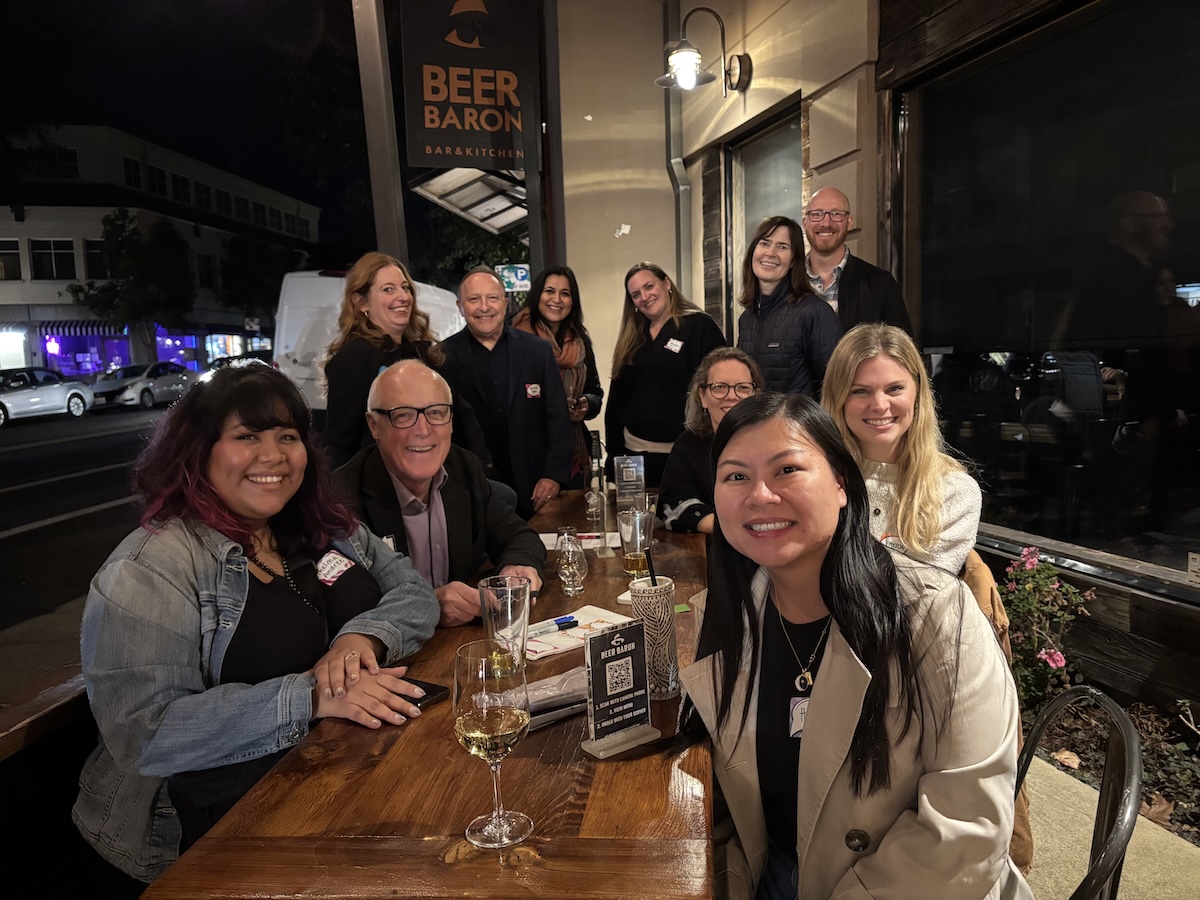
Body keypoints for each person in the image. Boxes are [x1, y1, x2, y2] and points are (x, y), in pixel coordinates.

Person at [73, 364, 440, 885]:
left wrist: (364, 636)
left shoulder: (325, 527)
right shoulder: (150, 567)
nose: (273, 456)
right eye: (247, 436)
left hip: (335, 777)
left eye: (287, 436)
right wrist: (310, 696)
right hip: (212, 827)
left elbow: (414, 593)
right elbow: (145, 732)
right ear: (197, 453)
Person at [676, 392, 1030, 900]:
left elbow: (966, 833)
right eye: (735, 476)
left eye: (787, 470)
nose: (760, 495)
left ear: (842, 484)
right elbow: (730, 816)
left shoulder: (936, 615)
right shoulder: (729, 616)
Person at [335, 360, 545, 627]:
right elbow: (343, 608)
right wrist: (428, 606)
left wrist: (517, 566)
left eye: (436, 413)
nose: (423, 430)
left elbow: (518, 535)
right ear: (374, 425)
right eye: (403, 415)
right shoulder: (341, 498)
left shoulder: (463, 468)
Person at [820, 323, 980, 573]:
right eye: (860, 391)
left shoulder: (954, 491)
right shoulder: (811, 479)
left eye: (894, 388)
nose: (880, 405)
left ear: (918, 394)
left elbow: (924, 600)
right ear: (838, 398)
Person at [321, 251, 489, 469]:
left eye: (405, 287)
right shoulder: (354, 359)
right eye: (388, 289)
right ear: (361, 302)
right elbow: (340, 444)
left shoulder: (425, 354)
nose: (403, 296)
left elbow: (462, 417)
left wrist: (481, 472)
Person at [438, 266, 573, 518]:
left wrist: (552, 474)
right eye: (474, 299)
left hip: (535, 489)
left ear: (506, 302)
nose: (484, 307)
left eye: (492, 298)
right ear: (460, 306)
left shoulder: (537, 351)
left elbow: (557, 418)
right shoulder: (442, 358)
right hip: (472, 490)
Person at [605, 261, 725, 487]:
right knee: (634, 519)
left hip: (684, 453)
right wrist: (613, 457)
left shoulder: (699, 327)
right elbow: (616, 403)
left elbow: (718, 389)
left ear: (667, 283)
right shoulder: (632, 338)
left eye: (649, 286)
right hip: (635, 456)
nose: (644, 296)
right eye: (636, 294)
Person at [512, 265, 604, 483]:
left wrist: (585, 404)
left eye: (565, 293)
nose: (557, 299)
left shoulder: (580, 341)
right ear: (537, 295)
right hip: (528, 454)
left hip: (572, 454)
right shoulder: (516, 337)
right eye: (550, 291)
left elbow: (596, 393)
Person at [658, 347, 764, 534]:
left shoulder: (773, 442)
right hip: (715, 550)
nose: (731, 396)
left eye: (743, 388)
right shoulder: (689, 444)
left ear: (756, 395)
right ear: (702, 397)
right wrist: (733, 528)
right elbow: (673, 504)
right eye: (719, 387)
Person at [736, 216, 842, 394]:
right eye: (764, 243)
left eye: (782, 247)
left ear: (794, 261)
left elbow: (836, 386)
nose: (770, 253)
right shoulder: (747, 318)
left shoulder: (814, 312)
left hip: (797, 421)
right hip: (757, 421)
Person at [803, 187, 912, 334]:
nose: (826, 222)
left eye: (836, 214)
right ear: (805, 222)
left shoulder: (881, 284)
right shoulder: (785, 283)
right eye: (816, 214)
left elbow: (901, 351)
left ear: (849, 222)